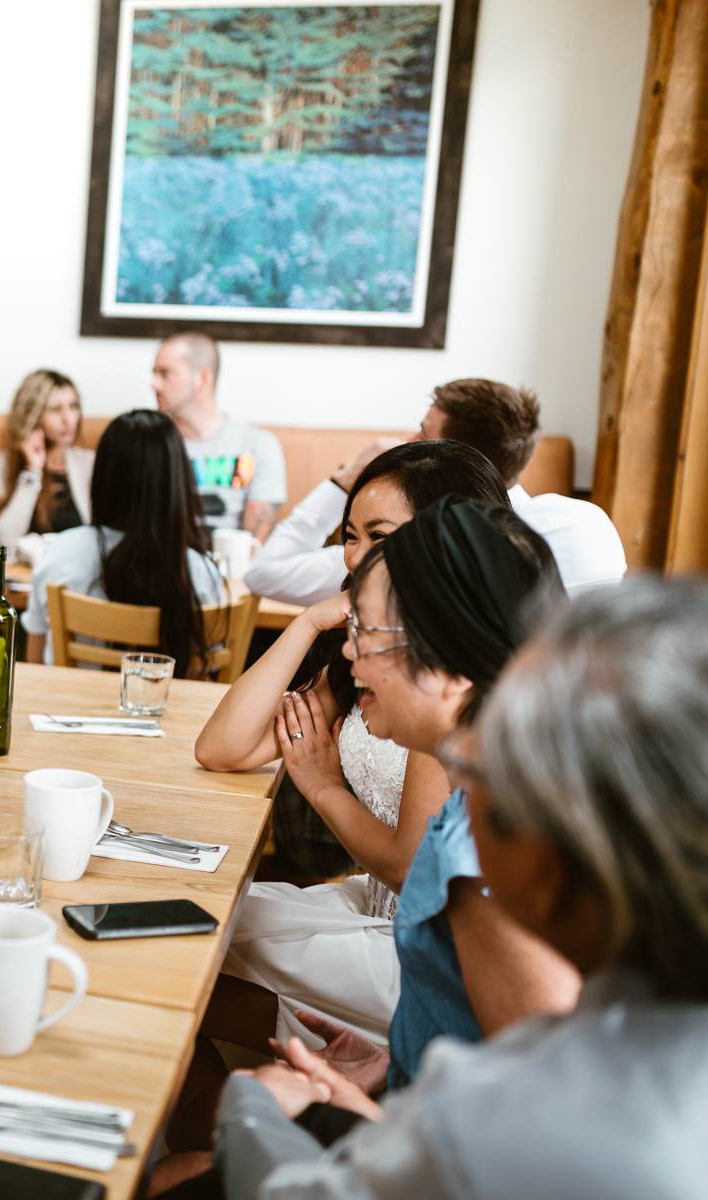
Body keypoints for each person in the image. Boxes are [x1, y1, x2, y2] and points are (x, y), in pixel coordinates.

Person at [197, 578, 708, 1199]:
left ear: (555, 868)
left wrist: (253, 1106)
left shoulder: (524, 1105)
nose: (462, 764)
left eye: (495, 766)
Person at [193, 442, 510, 1052]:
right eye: (350, 536)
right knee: (194, 915)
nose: (358, 556)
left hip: (425, 946)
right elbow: (223, 749)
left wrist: (321, 787)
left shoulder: (442, 678)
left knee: (200, 954)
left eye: (380, 537)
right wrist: (307, 623)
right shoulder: (368, 651)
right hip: (369, 902)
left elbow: (416, 870)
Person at [243, 378, 627, 603]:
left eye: (423, 432)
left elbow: (263, 573)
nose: (410, 441)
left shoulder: (406, 543)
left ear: (458, 457)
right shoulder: (585, 523)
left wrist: (345, 481)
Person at [22, 409, 224, 669]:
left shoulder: (58, 554)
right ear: (176, 480)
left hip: (67, 709)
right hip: (167, 710)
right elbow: (207, 682)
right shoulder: (199, 573)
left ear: (103, 476)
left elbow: (35, 664)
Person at [151, 331, 286, 537]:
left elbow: (254, 543)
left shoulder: (256, 444)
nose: (154, 384)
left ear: (202, 378)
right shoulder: (149, 444)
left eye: (165, 373)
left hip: (231, 564)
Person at [0, 368, 94, 544]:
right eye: (56, 409)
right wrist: (33, 470)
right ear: (32, 415)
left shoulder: (89, 463)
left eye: (74, 407)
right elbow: (2, 542)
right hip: (20, 571)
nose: (68, 418)